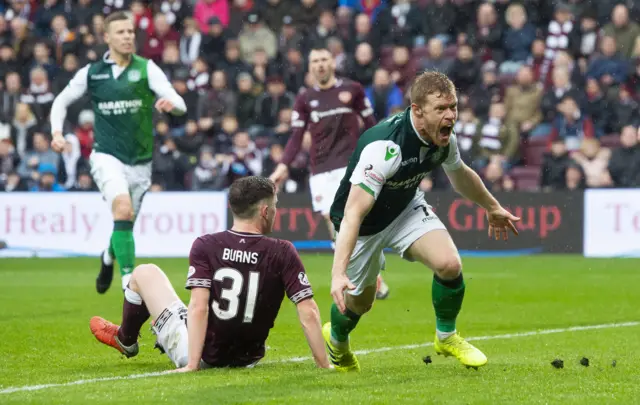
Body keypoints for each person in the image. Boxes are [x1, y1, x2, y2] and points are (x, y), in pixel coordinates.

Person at [324, 71, 521, 372]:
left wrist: (492, 206)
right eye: (441, 109)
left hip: (404, 208)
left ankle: (446, 336)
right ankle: (336, 341)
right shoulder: (385, 147)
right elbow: (354, 213)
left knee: (449, 264)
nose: (450, 116)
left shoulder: (444, 138)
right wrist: (337, 274)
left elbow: (460, 175)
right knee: (360, 304)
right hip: (363, 226)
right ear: (417, 111)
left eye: (453, 107)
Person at [89, 176, 331, 371]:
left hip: (203, 355)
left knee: (144, 273)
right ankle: (158, 329)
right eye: (276, 207)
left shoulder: (207, 244)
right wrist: (325, 365)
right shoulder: (283, 251)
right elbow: (308, 312)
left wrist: (193, 364)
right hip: (248, 357)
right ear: (265, 211)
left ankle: (126, 339)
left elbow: (199, 307)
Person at [49, 11, 187, 294]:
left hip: (141, 162)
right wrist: (56, 132)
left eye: (130, 32)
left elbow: (179, 102)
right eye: (121, 32)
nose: (127, 37)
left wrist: (171, 105)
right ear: (107, 37)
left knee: (125, 223)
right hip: (106, 155)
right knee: (122, 209)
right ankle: (129, 285)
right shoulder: (92, 73)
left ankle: (108, 256)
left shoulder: (146, 68)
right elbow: (61, 102)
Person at [268, 47, 391, 299]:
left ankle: (364, 272)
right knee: (336, 225)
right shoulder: (305, 99)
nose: (320, 65)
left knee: (354, 220)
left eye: (324, 60)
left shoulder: (353, 90)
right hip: (321, 170)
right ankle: (369, 275)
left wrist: (383, 151)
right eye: (315, 61)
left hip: (351, 164)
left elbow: (370, 125)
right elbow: (296, 136)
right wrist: (283, 165)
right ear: (310, 67)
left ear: (332, 63)